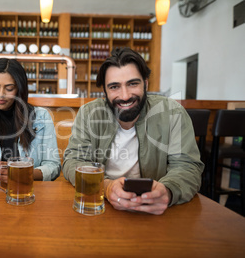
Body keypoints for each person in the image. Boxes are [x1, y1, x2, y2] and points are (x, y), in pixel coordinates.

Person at [63, 47, 203, 215]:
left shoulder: (172, 112)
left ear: (146, 83)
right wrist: (106, 187)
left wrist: (168, 191)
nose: (125, 95)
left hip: (156, 210)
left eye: (133, 83)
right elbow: (73, 161)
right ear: (105, 92)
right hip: (102, 206)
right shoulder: (88, 114)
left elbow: (187, 166)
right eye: (114, 86)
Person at [0, 58, 61, 183]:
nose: (1, 94)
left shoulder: (41, 117)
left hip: (29, 193)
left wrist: (23, 174)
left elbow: (53, 166)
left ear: (19, 89)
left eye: (9, 88)